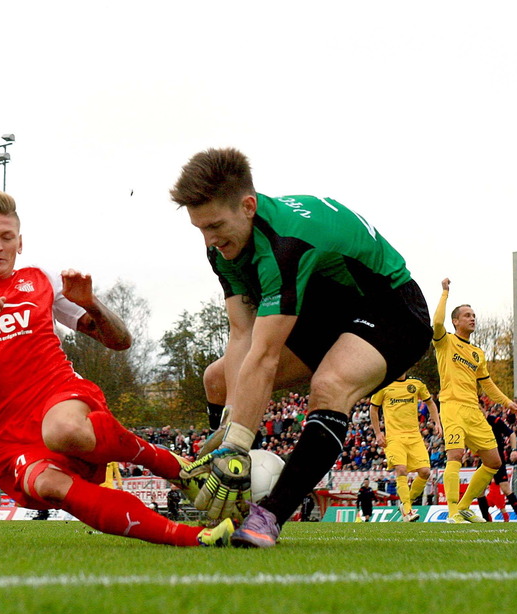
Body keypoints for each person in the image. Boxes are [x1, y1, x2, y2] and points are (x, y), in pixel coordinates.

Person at [0, 190, 233, 547]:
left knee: (64, 429)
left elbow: (120, 341)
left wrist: (93, 305)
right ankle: (194, 538)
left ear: (20, 243)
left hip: (60, 394)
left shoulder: (39, 280)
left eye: (7, 238)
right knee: (49, 485)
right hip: (9, 433)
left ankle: (171, 466)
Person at [170, 148, 432, 548]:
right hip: (328, 313)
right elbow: (242, 335)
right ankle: (234, 499)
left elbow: (264, 356)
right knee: (218, 380)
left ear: (248, 206)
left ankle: (269, 516)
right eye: (200, 228)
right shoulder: (223, 248)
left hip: (392, 308)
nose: (209, 240)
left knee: (330, 385)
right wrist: (230, 428)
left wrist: (235, 443)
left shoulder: (285, 244)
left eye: (216, 225)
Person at [432, 278, 517, 524]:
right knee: (456, 454)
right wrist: (444, 293)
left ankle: (462, 508)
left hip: (473, 410)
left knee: (493, 461)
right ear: (456, 321)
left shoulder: (477, 353)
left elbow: (487, 383)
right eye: (467, 315)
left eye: (474, 315)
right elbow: (437, 322)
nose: (473, 318)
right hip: (451, 406)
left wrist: (506, 402)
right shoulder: (445, 342)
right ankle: (452, 513)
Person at [370, 373, 441, 522]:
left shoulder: (416, 383)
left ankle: (405, 502)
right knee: (401, 469)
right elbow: (374, 409)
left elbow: (430, 403)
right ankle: (408, 510)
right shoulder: (383, 385)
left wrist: (437, 423)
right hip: (394, 437)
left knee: (425, 472)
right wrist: (378, 433)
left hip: (414, 436)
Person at [476, 411, 517, 522]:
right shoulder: (476, 422)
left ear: (484, 409)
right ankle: (486, 520)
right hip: (484, 459)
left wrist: (514, 450)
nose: (478, 412)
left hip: (498, 459)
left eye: (480, 409)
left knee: (505, 488)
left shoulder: (495, 421)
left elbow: (511, 434)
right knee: (479, 490)